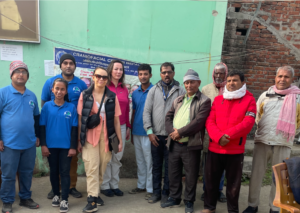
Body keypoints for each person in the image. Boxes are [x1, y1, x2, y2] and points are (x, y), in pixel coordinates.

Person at [243, 66, 300, 213]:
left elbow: (299, 123)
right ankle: (252, 205)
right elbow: (258, 117)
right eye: (280, 76)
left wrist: (288, 133)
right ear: (275, 77)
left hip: (283, 143)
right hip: (262, 141)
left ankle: (274, 208)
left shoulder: (297, 98)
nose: (282, 79)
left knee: (280, 178)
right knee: (256, 176)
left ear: (291, 79)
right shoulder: (265, 95)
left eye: (286, 77)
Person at [201, 71, 256, 213]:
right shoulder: (219, 99)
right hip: (215, 147)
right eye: (229, 80)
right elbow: (210, 120)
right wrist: (219, 137)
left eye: (235, 80)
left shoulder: (249, 100)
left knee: (233, 185)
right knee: (211, 181)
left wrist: (228, 136)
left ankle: (232, 210)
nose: (231, 83)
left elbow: (248, 122)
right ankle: (209, 207)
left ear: (243, 83)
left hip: (234, 150)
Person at [164, 69, 211, 213]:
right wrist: (172, 132)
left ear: (198, 83)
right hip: (174, 143)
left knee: (191, 175)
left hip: (191, 145)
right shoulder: (178, 99)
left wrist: (180, 132)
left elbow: (198, 122)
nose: (189, 85)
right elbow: (168, 117)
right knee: (173, 172)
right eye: (186, 82)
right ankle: (174, 197)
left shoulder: (204, 101)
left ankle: (189, 201)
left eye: (192, 82)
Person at [41, 53, 87, 199]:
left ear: (75, 66)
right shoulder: (50, 82)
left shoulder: (81, 84)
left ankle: (71, 186)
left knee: (71, 160)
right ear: (60, 65)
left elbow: (86, 106)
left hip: (73, 128)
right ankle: (57, 188)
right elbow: (44, 105)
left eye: (71, 63)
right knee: (54, 164)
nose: (68, 65)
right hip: (55, 129)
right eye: (65, 63)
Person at [77, 67, 123, 212]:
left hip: (107, 136)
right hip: (90, 136)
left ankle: (95, 192)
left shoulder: (111, 97)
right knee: (92, 166)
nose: (101, 79)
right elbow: (80, 120)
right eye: (99, 76)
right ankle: (92, 200)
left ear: (107, 79)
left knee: (102, 166)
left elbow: (116, 120)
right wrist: (79, 139)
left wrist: (120, 141)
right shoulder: (85, 95)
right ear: (93, 77)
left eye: (104, 77)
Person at [0, 61, 40, 213]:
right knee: (8, 175)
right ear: (11, 75)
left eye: (24, 71)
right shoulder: (3, 93)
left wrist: (37, 136)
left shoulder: (32, 95)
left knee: (26, 173)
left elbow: (36, 117)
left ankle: (25, 198)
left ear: (27, 76)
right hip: (9, 144)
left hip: (29, 143)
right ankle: (7, 201)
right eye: (17, 71)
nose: (21, 74)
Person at [143, 62, 185, 204]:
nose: (166, 75)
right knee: (156, 166)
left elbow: (184, 114)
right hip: (155, 136)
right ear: (160, 74)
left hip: (171, 137)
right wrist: (149, 132)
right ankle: (156, 193)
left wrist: (176, 133)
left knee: (170, 167)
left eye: (169, 72)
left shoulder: (181, 91)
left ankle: (166, 193)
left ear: (173, 73)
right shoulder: (153, 90)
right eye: (163, 72)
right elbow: (146, 112)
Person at [40, 78, 78, 213]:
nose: (59, 91)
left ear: (66, 91)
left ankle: (65, 199)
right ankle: (56, 194)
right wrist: (43, 145)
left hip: (66, 147)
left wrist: (73, 147)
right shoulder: (46, 107)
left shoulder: (71, 107)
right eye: (57, 88)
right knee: (54, 171)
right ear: (52, 90)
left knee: (65, 172)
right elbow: (42, 127)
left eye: (62, 89)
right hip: (50, 146)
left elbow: (74, 129)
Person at [101, 60, 131, 197]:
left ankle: (114, 184)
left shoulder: (124, 88)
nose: (119, 71)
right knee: (107, 156)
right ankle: (105, 185)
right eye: (116, 69)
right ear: (110, 70)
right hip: (107, 127)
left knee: (117, 157)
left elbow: (126, 109)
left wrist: (128, 126)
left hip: (122, 126)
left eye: (121, 69)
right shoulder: (104, 87)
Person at [201, 62, 228, 202]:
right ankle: (207, 189)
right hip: (208, 134)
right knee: (208, 165)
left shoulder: (230, 90)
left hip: (224, 134)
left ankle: (218, 190)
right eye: (216, 73)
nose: (218, 76)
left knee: (222, 164)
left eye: (221, 73)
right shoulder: (205, 89)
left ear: (226, 74)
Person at [128, 64, 153, 198]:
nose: (143, 76)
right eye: (141, 74)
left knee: (149, 161)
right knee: (140, 161)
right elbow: (134, 111)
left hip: (149, 133)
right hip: (136, 131)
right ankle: (141, 185)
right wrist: (131, 131)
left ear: (150, 75)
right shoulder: (135, 92)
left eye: (145, 74)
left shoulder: (155, 91)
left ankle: (150, 189)